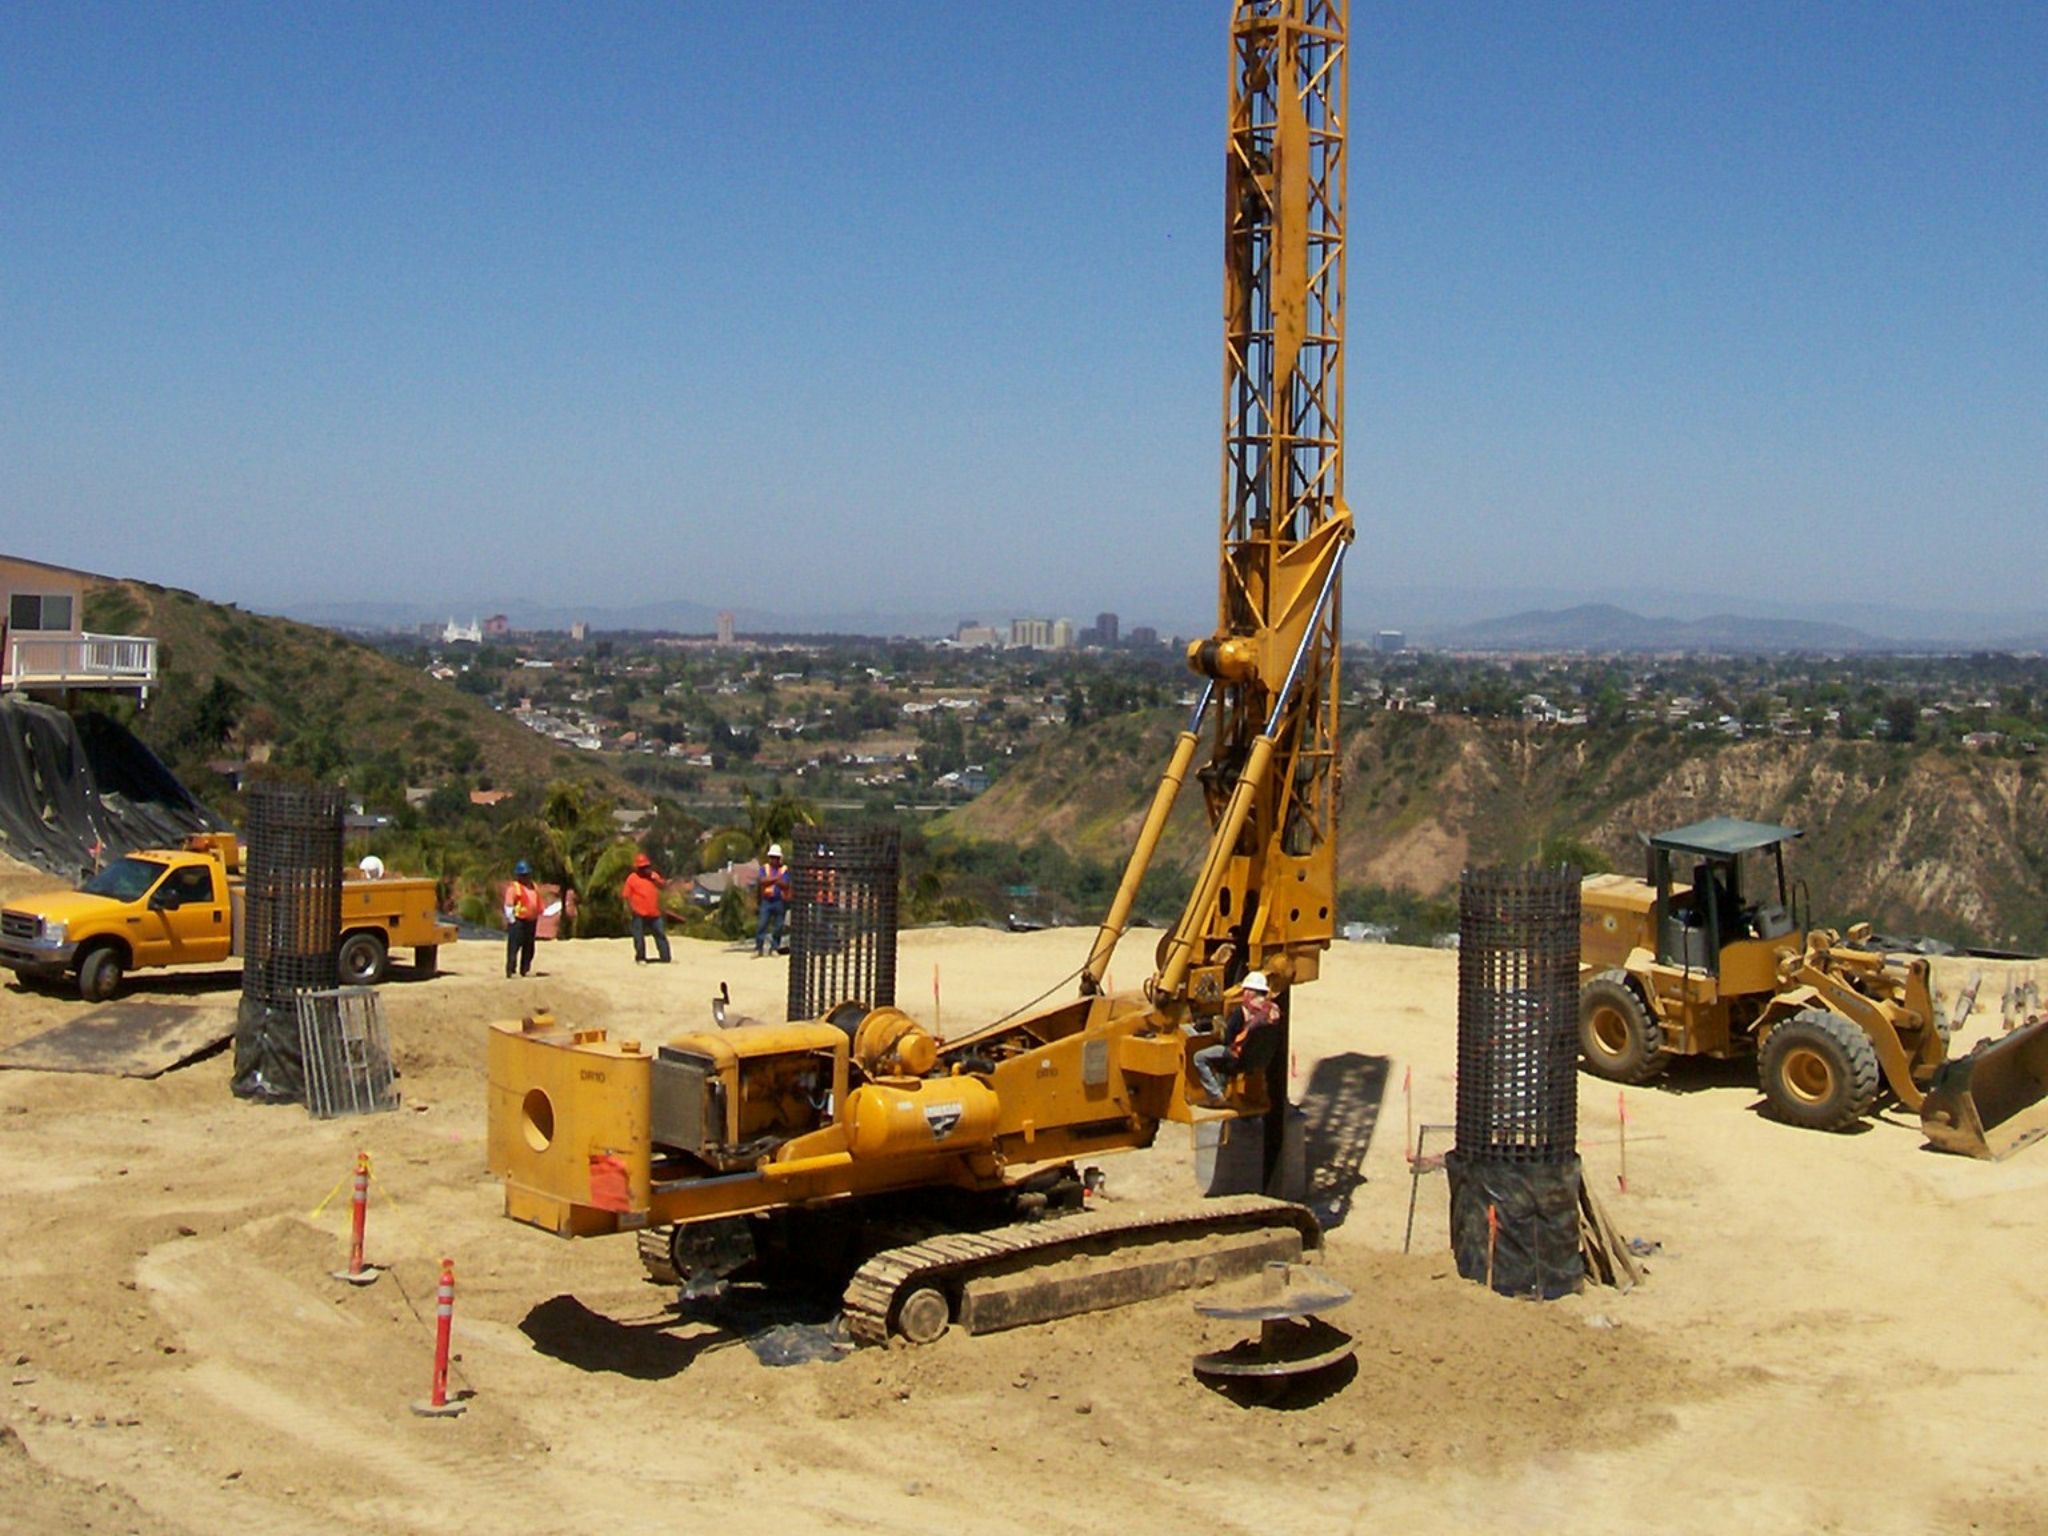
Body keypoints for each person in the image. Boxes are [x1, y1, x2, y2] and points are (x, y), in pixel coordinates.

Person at [1192, 970, 1279, 1107]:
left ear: (1248, 992)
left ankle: (1216, 1096)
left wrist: (1219, 1030)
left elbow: (1228, 1039)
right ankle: (1223, 1091)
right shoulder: (1273, 1011)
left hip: (1237, 1058)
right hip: (1257, 1061)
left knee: (1200, 1057)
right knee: (1221, 1055)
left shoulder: (1241, 1012)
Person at [623, 852, 671, 965]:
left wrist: (656, 879)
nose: (645, 869)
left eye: (646, 866)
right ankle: (641, 957)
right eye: (642, 867)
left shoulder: (653, 876)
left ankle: (665, 957)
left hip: (654, 913)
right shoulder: (632, 878)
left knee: (660, 935)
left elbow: (664, 886)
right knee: (639, 937)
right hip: (638, 913)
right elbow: (626, 896)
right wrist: (629, 910)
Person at [504, 860, 541, 978]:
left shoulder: (533, 886)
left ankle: (525, 969)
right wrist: (511, 919)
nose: (526, 877)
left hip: (531, 920)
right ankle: (511, 970)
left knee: (529, 946)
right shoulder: (514, 888)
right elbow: (508, 905)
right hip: (518, 920)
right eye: (523, 875)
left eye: (527, 875)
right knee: (514, 946)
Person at [755, 844, 790, 957]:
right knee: (762, 924)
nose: (773, 859)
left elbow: (785, 884)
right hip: (767, 901)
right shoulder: (764, 868)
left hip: (779, 901)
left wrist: (771, 880)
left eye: (775, 857)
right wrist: (775, 879)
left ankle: (774, 948)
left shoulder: (784, 869)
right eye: (772, 857)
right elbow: (762, 881)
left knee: (778, 927)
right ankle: (758, 948)